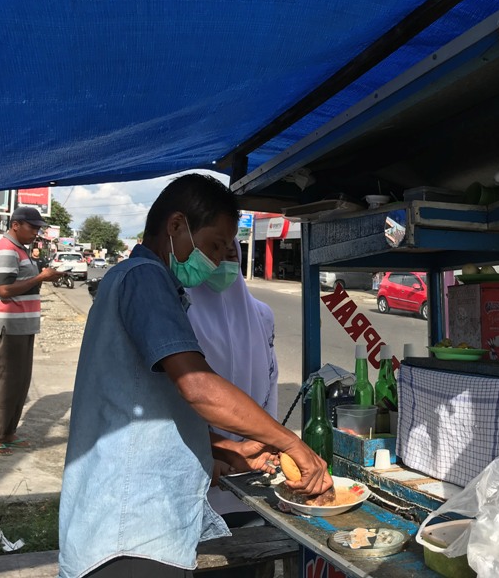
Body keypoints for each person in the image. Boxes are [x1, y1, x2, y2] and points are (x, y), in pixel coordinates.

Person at [58, 174, 331, 578]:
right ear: (176, 226)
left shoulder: (145, 284)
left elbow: (145, 414)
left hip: (135, 526)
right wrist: (292, 444)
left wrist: (224, 449)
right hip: (131, 530)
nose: (220, 259)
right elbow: (197, 386)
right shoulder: (143, 277)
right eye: (215, 245)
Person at [186, 239, 279, 527]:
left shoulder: (262, 315)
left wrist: (266, 441)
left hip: (254, 471)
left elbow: (271, 380)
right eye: (216, 253)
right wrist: (215, 450)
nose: (225, 263)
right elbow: (183, 390)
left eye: (232, 256)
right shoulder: (182, 310)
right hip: (202, 472)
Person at [0, 207, 60, 456]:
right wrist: (40, 278)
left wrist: (44, 277)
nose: (36, 232)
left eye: (38, 228)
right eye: (32, 227)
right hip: (9, 323)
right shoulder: (6, 249)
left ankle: (6, 431)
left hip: (22, 323)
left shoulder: (20, 250)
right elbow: (5, 290)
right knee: (5, 380)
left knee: (19, 379)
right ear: (16, 225)